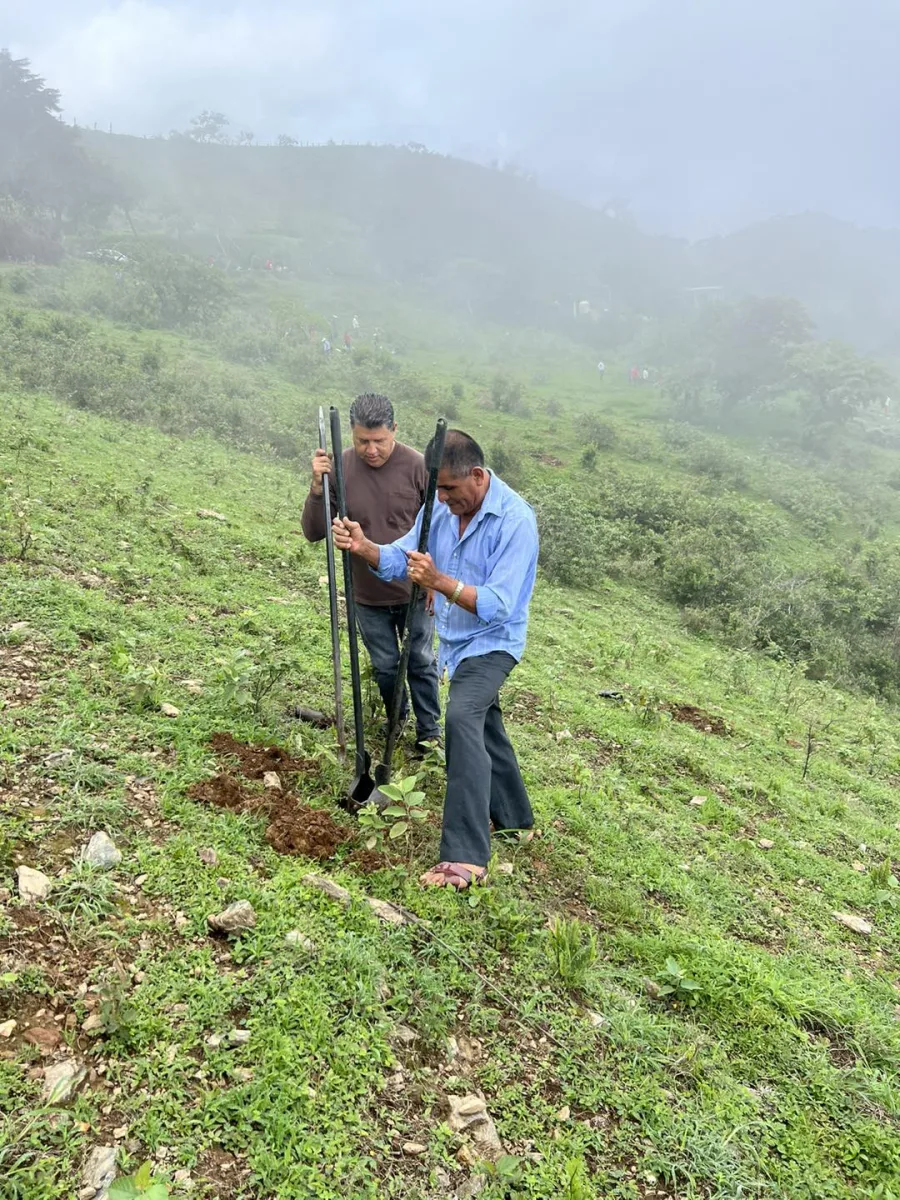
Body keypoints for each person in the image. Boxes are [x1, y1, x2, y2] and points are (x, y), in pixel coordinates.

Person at [333, 430, 538, 890]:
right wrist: (364, 546)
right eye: (437, 490)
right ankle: (514, 820)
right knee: (485, 722)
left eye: (449, 489)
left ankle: (465, 856)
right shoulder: (442, 512)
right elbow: (404, 556)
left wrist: (440, 582)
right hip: (457, 641)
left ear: (479, 477)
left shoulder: (515, 521)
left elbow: (500, 603)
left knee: (463, 716)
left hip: (494, 642)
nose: (442, 499)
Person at [302, 393, 441, 751]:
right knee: (386, 666)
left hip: (415, 590)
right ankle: (398, 720)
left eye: (379, 440)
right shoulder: (340, 467)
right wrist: (318, 488)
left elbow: (441, 526)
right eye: (362, 440)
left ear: (394, 430)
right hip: (366, 594)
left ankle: (430, 734)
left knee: (421, 661)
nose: (371, 449)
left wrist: (436, 580)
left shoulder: (420, 467)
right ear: (351, 433)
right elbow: (313, 531)